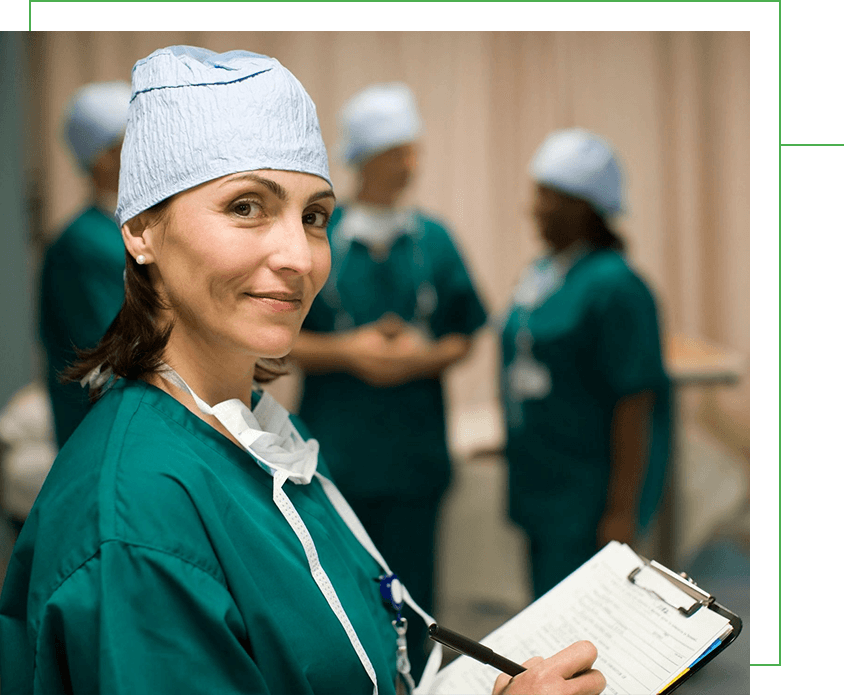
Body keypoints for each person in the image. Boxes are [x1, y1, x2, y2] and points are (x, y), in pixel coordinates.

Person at [0, 47, 604, 695]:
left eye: (313, 215)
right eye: (246, 207)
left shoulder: (260, 442)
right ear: (142, 228)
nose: (300, 256)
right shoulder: (137, 529)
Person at [289, 83, 488, 682]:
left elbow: (464, 331)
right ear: (363, 157)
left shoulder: (435, 239)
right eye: (395, 152)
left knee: (415, 596)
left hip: (413, 456)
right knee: (340, 590)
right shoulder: (316, 236)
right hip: (337, 452)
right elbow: (281, 336)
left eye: (412, 151)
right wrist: (350, 351)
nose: (408, 165)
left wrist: (416, 360)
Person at [500, 128, 672, 600]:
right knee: (545, 612)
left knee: (584, 624)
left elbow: (635, 400)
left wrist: (621, 508)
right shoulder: (543, 274)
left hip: (586, 494)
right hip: (541, 484)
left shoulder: (617, 287)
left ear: (583, 206)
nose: (534, 208)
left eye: (547, 196)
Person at [39, 81, 132, 448]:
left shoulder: (123, 230)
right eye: (134, 141)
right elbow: (116, 352)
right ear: (103, 158)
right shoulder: (82, 244)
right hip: (105, 433)